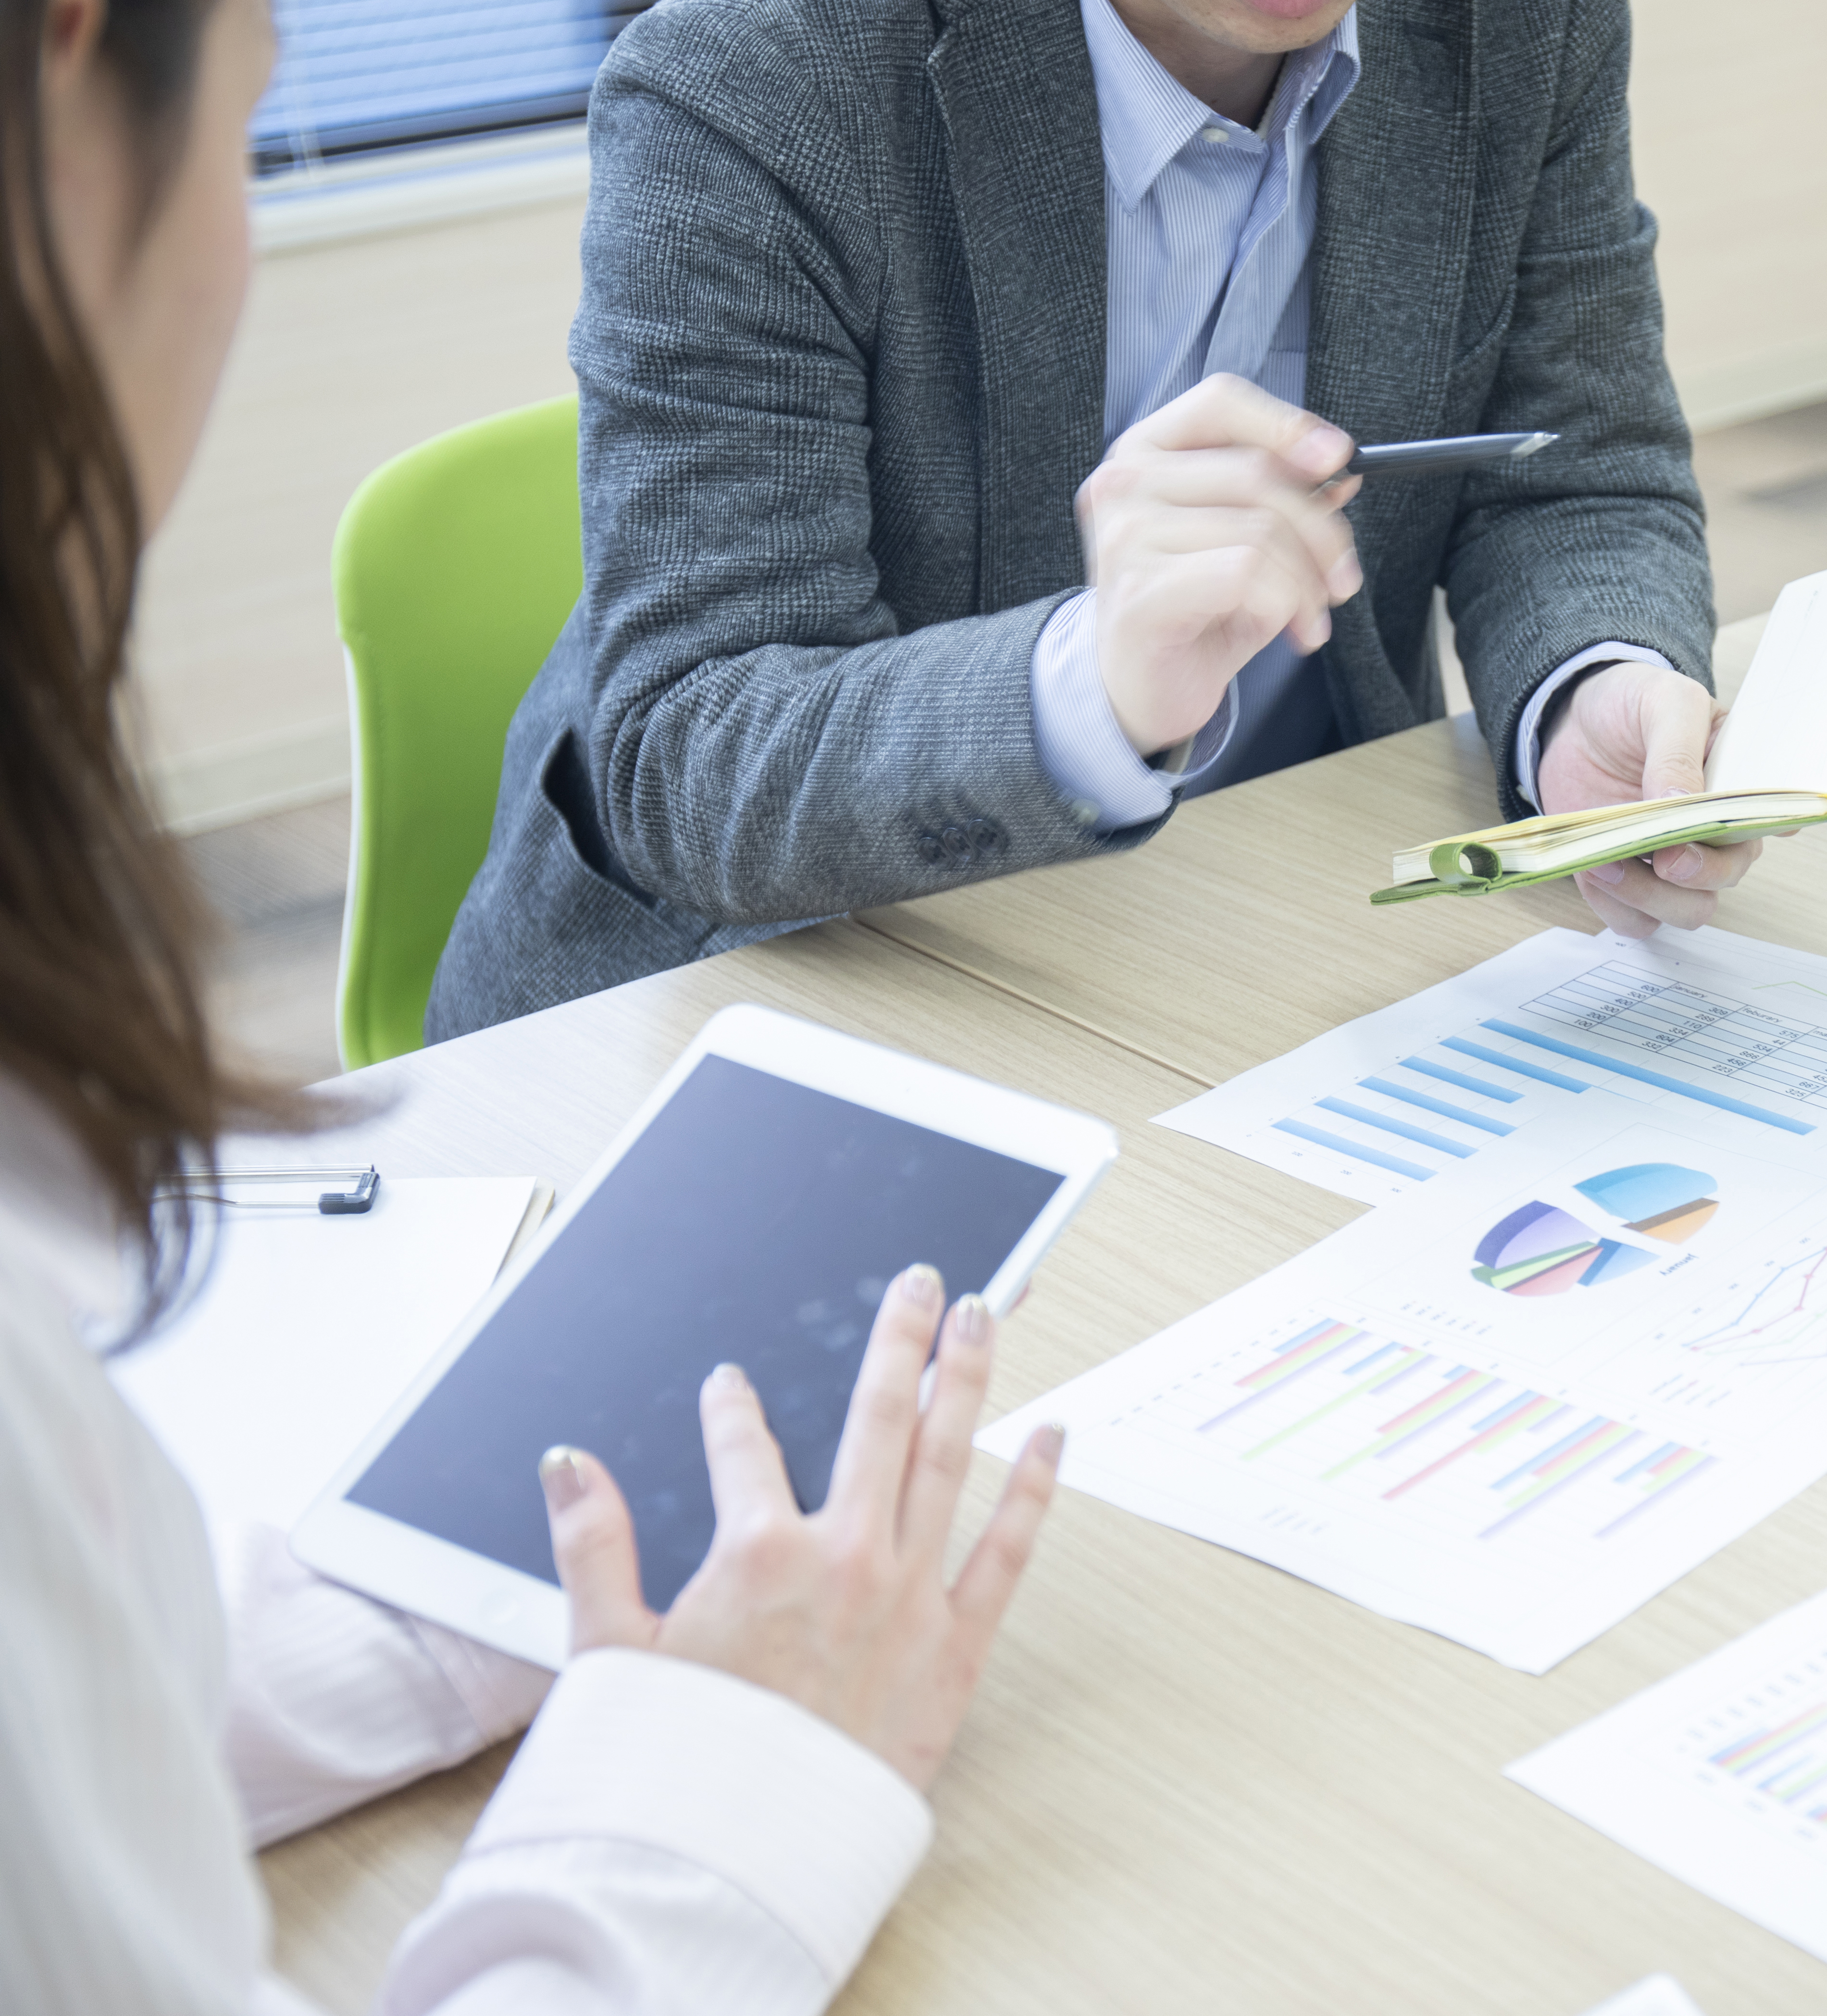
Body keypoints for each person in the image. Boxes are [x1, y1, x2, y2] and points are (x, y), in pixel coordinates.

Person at [0, 0, 1067, 1997]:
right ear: (75, 67)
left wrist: (446, 1598)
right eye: (249, 129)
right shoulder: (756, 80)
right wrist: (734, 1789)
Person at [426, 0, 1754, 1042]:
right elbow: (692, 744)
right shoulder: (759, 76)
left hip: (1272, 910)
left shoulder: (1524, 26)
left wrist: (1590, 689)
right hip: (796, 968)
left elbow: (1574, 467)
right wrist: (1090, 685)